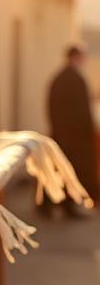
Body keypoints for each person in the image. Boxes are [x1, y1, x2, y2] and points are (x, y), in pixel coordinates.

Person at [43, 44, 99, 216]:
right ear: (76, 57)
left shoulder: (59, 78)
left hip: (63, 134)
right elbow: (82, 110)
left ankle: (53, 205)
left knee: (60, 169)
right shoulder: (73, 79)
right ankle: (67, 205)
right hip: (75, 137)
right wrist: (90, 131)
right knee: (71, 170)